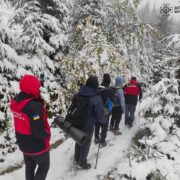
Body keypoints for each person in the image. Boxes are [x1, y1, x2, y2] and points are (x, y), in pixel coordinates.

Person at [10, 75, 51, 180]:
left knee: (30, 166)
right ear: (31, 87)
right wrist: (47, 134)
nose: (38, 89)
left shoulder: (17, 101)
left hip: (23, 144)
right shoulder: (34, 106)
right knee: (43, 167)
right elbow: (38, 131)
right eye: (37, 87)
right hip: (36, 146)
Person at [74, 75, 106, 169]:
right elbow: (100, 115)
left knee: (78, 139)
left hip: (77, 121)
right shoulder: (96, 98)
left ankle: (77, 159)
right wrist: (104, 121)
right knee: (85, 142)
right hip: (88, 124)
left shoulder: (79, 93)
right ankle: (82, 163)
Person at [94, 73, 114, 147]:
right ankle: (102, 141)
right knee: (104, 126)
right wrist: (110, 111)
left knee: (97, 124)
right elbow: (111, 101)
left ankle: (96, 138)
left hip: (96, 110)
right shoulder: (109, 90)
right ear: (109, 81)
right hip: (105, 111)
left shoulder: (97, 88)